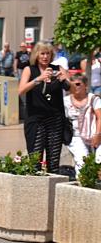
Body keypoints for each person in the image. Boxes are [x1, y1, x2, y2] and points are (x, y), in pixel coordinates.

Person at [18, 41, 71, 173]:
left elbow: (70, 88)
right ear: (36, 55)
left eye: (48, 53)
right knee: (35, 160)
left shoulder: (58, 68)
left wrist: (62, 79)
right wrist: (39, 79)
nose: (45, 56)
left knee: (53, 162)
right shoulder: (29, 69)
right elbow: (21, 90)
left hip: (55, 119)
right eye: (42, 53)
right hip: (35, 119)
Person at [63, 73, 101, 175]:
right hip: (76, 136)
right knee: (82, 162)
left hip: (95, 134)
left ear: (86, 85)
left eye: (78, 84)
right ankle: (83, 184)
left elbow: (100, 116)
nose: (75, 86)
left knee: (99, 159)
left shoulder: (93, 99)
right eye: (72, 84)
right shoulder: (65, 101)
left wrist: (97, 135)